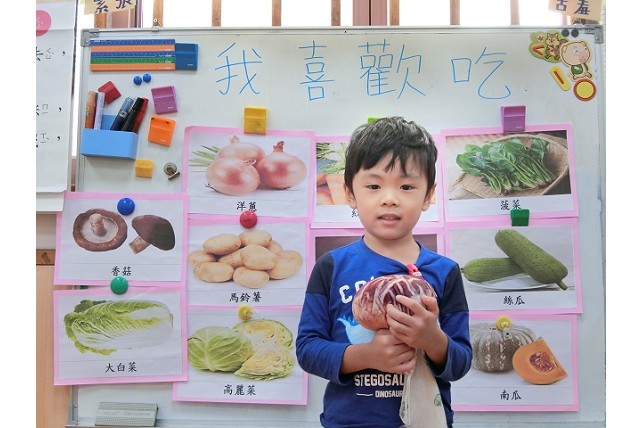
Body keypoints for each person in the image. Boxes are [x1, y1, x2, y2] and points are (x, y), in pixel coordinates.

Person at [296, 117, 472, 428]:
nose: (389, 198)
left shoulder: (445, 272)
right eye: (374, 186)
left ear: (428, 195)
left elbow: (461, 362)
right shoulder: (331, 266)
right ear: (350, 193)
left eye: (406, 186)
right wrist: (365, 356)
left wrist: (433, 339)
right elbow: (308, 349)